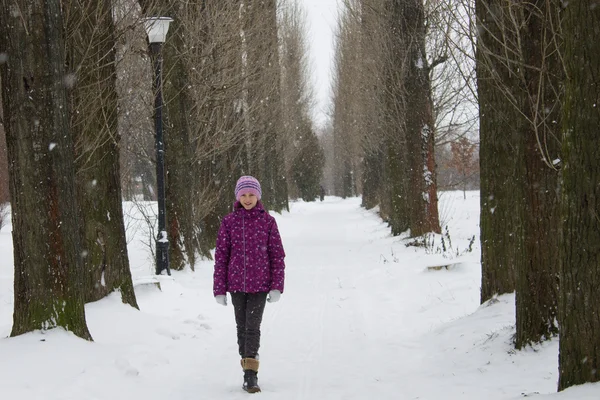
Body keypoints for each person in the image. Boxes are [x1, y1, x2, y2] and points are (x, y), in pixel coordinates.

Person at [213, 175, 286, 393]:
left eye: (251, 194)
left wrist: (276, 286)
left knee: (252, 327)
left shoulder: (268, 222)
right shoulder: (229, 222)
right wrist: (219, 289)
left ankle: (250, 374)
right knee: (241, 328)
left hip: (260, 285)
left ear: (258, 196)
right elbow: (221, 257)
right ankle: (246, 361)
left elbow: (277, 256)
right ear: (237, 196)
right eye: (243, 194)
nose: (247, 199)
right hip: (236, 285)